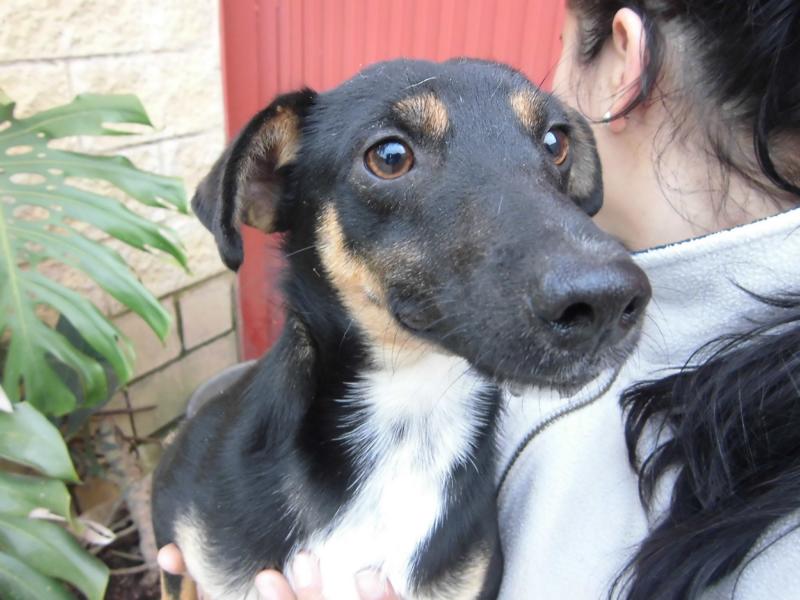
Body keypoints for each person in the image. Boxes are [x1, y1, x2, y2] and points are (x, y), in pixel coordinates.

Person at [159, 0, 800, 597]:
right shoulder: (220, 504)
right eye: (390, 157)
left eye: (549, 145)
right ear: (270, 190)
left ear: (624, 59)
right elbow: (175, 537)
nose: (589, 285)